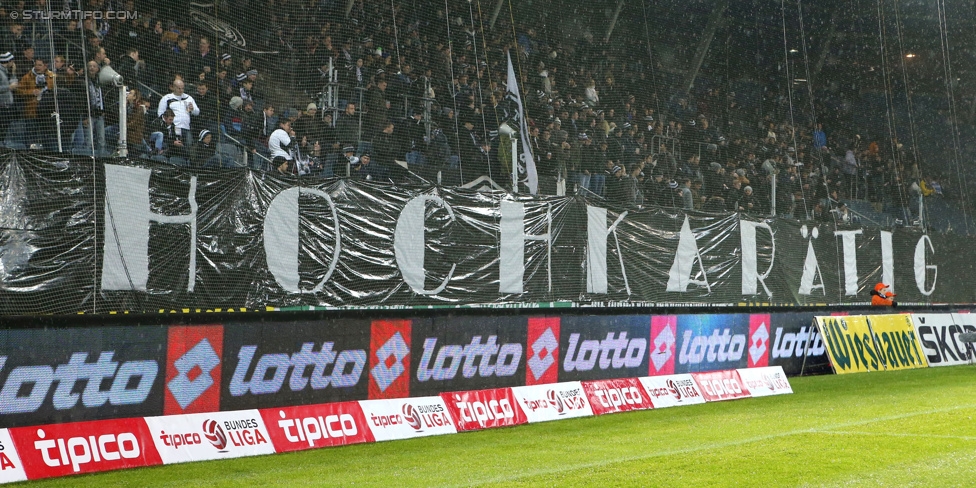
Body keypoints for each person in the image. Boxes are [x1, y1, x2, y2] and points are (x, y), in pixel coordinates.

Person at [157, 78, 200, 142]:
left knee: (188, 146)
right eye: (179, 88)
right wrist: (167, 123)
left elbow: (197, 112)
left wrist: (192, 109)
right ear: (174, 87)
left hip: (186, 127)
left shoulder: (188, 98)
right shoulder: (166, 98)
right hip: (173, 128)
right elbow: (160, 113)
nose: (181, 90)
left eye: (182, 88)